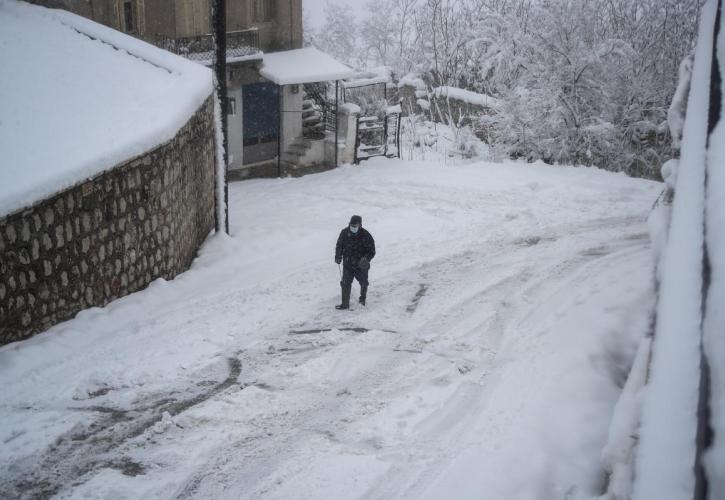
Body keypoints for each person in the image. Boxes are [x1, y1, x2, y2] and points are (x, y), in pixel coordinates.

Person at [335, 215, 376, 309]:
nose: (353, 227)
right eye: (351, 225)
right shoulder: (344, 233)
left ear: (360, 225)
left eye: (355, 226)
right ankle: (345, 304)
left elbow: (372, 251)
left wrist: (366, 259)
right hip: (348, 263)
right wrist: (338, 255)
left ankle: (362, 299)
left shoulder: (366, 235)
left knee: (363, 282)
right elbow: (339, 245)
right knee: (345, 282)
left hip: (361, 264)